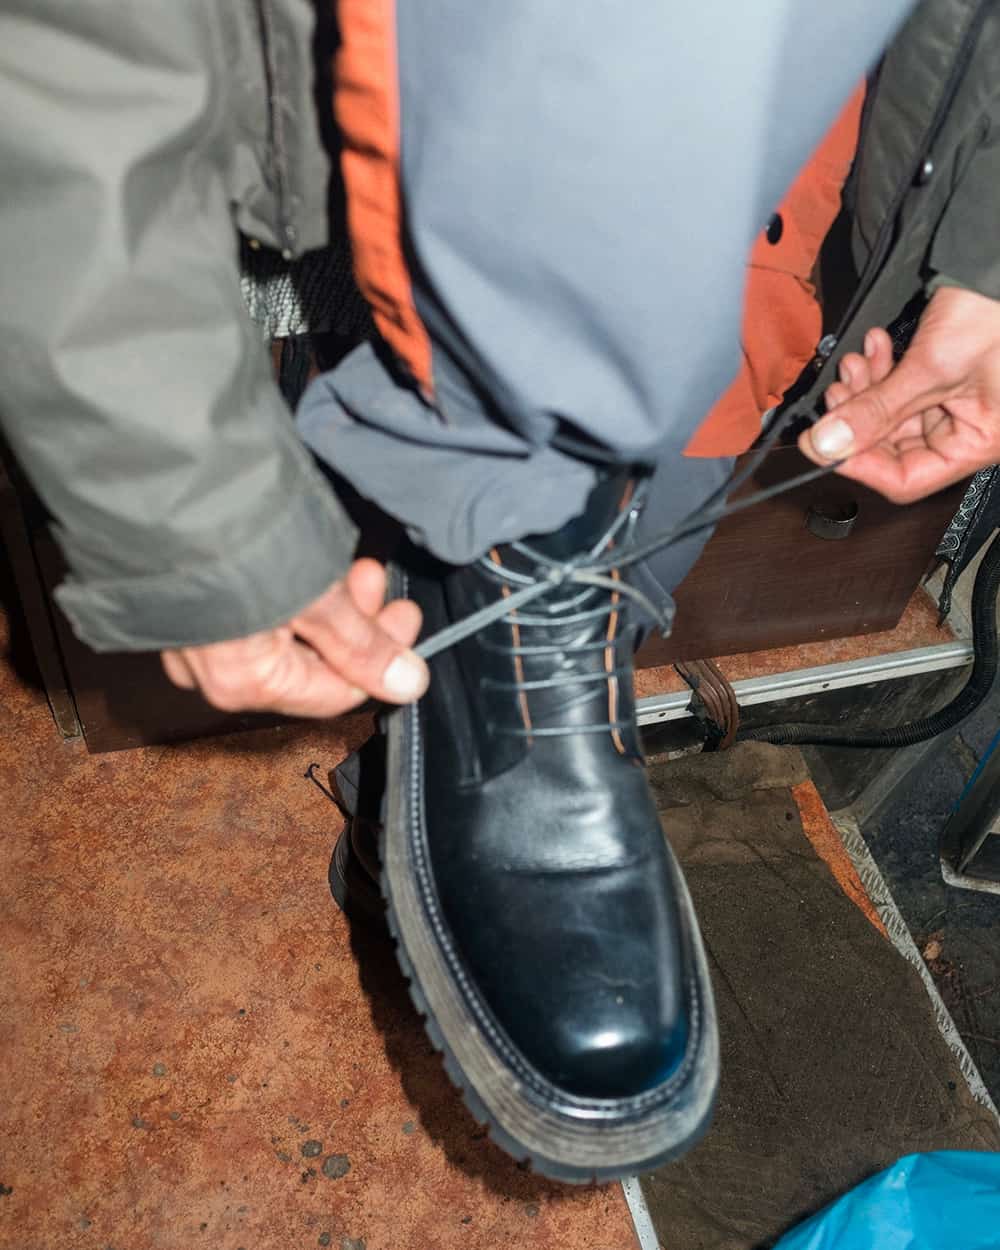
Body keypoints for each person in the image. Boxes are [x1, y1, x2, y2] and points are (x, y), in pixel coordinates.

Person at [2, 0, 999, 1179]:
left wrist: (987, 257)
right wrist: (182, 503)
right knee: (448, 495)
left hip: (817, 147)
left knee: (660, 478)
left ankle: (419, 807)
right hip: (449, 152)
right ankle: (469, 694)